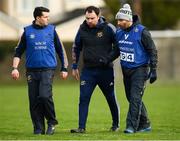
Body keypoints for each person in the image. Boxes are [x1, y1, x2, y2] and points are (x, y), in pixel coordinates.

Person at [11, 7, 68, 135]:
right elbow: (18, 52)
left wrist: (64, 68)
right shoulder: (27, 31)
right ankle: (38, 128)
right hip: (31, 71)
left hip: (48, 69)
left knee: (44, 96)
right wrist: (15, 68)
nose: (48, 19)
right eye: (46, 17)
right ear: (38, 18)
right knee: (34, 100)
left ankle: (52, 122)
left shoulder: (52, 30)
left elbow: (61, 50)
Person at [70, 6, 120, 133]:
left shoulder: (109, 28)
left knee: (110, 97)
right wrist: (74, 66)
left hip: (105, 71)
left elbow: (118, 47)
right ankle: (81, 128)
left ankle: (115, 124)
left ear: (98, 16)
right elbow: (76, 47)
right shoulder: (82, 29)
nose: (89, 21)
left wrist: (108, 59)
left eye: (92, 18)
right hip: (88, 72)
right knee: (83, 98)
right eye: (87, 18)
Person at [114, 4, 158, 133]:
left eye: (121, 20)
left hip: (140, 69)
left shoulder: (142, 31)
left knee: (134, 98)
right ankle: (145, 123)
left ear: (128, 20)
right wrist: (106, 58)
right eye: (117, 20)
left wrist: (154, 69)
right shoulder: (119, 32)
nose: (118, 23)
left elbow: (152, 50)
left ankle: (131, 126)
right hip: (126, 70)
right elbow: (117, 50)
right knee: (132, 98)